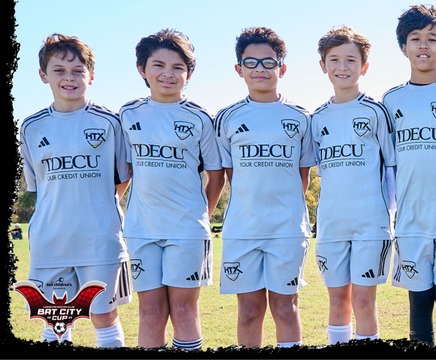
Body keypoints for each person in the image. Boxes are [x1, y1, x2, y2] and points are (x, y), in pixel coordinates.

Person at [18, 33, 132, 347]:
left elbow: (123, 176)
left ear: (91, 75)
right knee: (55, 319)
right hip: (50, 239)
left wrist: (103, 208)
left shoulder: (110, 122)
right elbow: (38, 185)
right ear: (43, 75)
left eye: (77, 70)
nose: (69, 77)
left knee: (103, 316)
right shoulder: (31, 127)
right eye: (59, 70)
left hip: (100, 239)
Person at [119, 28, 222, 350]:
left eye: (178, 67)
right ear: (142, 69)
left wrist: (200, 217)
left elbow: (216, 177)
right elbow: (123, 172)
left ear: (189, 73)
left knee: (184, 310)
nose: (168, 74)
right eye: (159, 65)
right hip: (141, 230)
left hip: (187, 230)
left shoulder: (200, 118)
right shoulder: (127, 114)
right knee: (149, 313)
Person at [214, 27, 315, 348]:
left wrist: (284, 210)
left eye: (269, 62)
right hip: (243, 230)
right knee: (248, 312)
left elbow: (302, 176)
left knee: (286, 308)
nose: (260, 69)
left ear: (282, 69)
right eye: (251, 62)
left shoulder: (301, 117)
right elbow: (230, 176)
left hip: (287, 230)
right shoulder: (226, 118)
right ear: (239, 69)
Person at [384, 4, 436, 348]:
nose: (423, 45)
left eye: (432, 39)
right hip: (411, 221)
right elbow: (388, 164)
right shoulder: (391, 100)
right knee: (418, 306)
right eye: (415, 38)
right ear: (403, 47)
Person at [310, 25, 395, 344]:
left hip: (370, 225)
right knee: (337, 301)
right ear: (323, 66)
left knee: (363, 302)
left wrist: (390, 214)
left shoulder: (376, 112)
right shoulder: (317, 118)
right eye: (334, 59)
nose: (342, 67)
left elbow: (392, 167)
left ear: (364, 66)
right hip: (331, 224)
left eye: (350, 60)